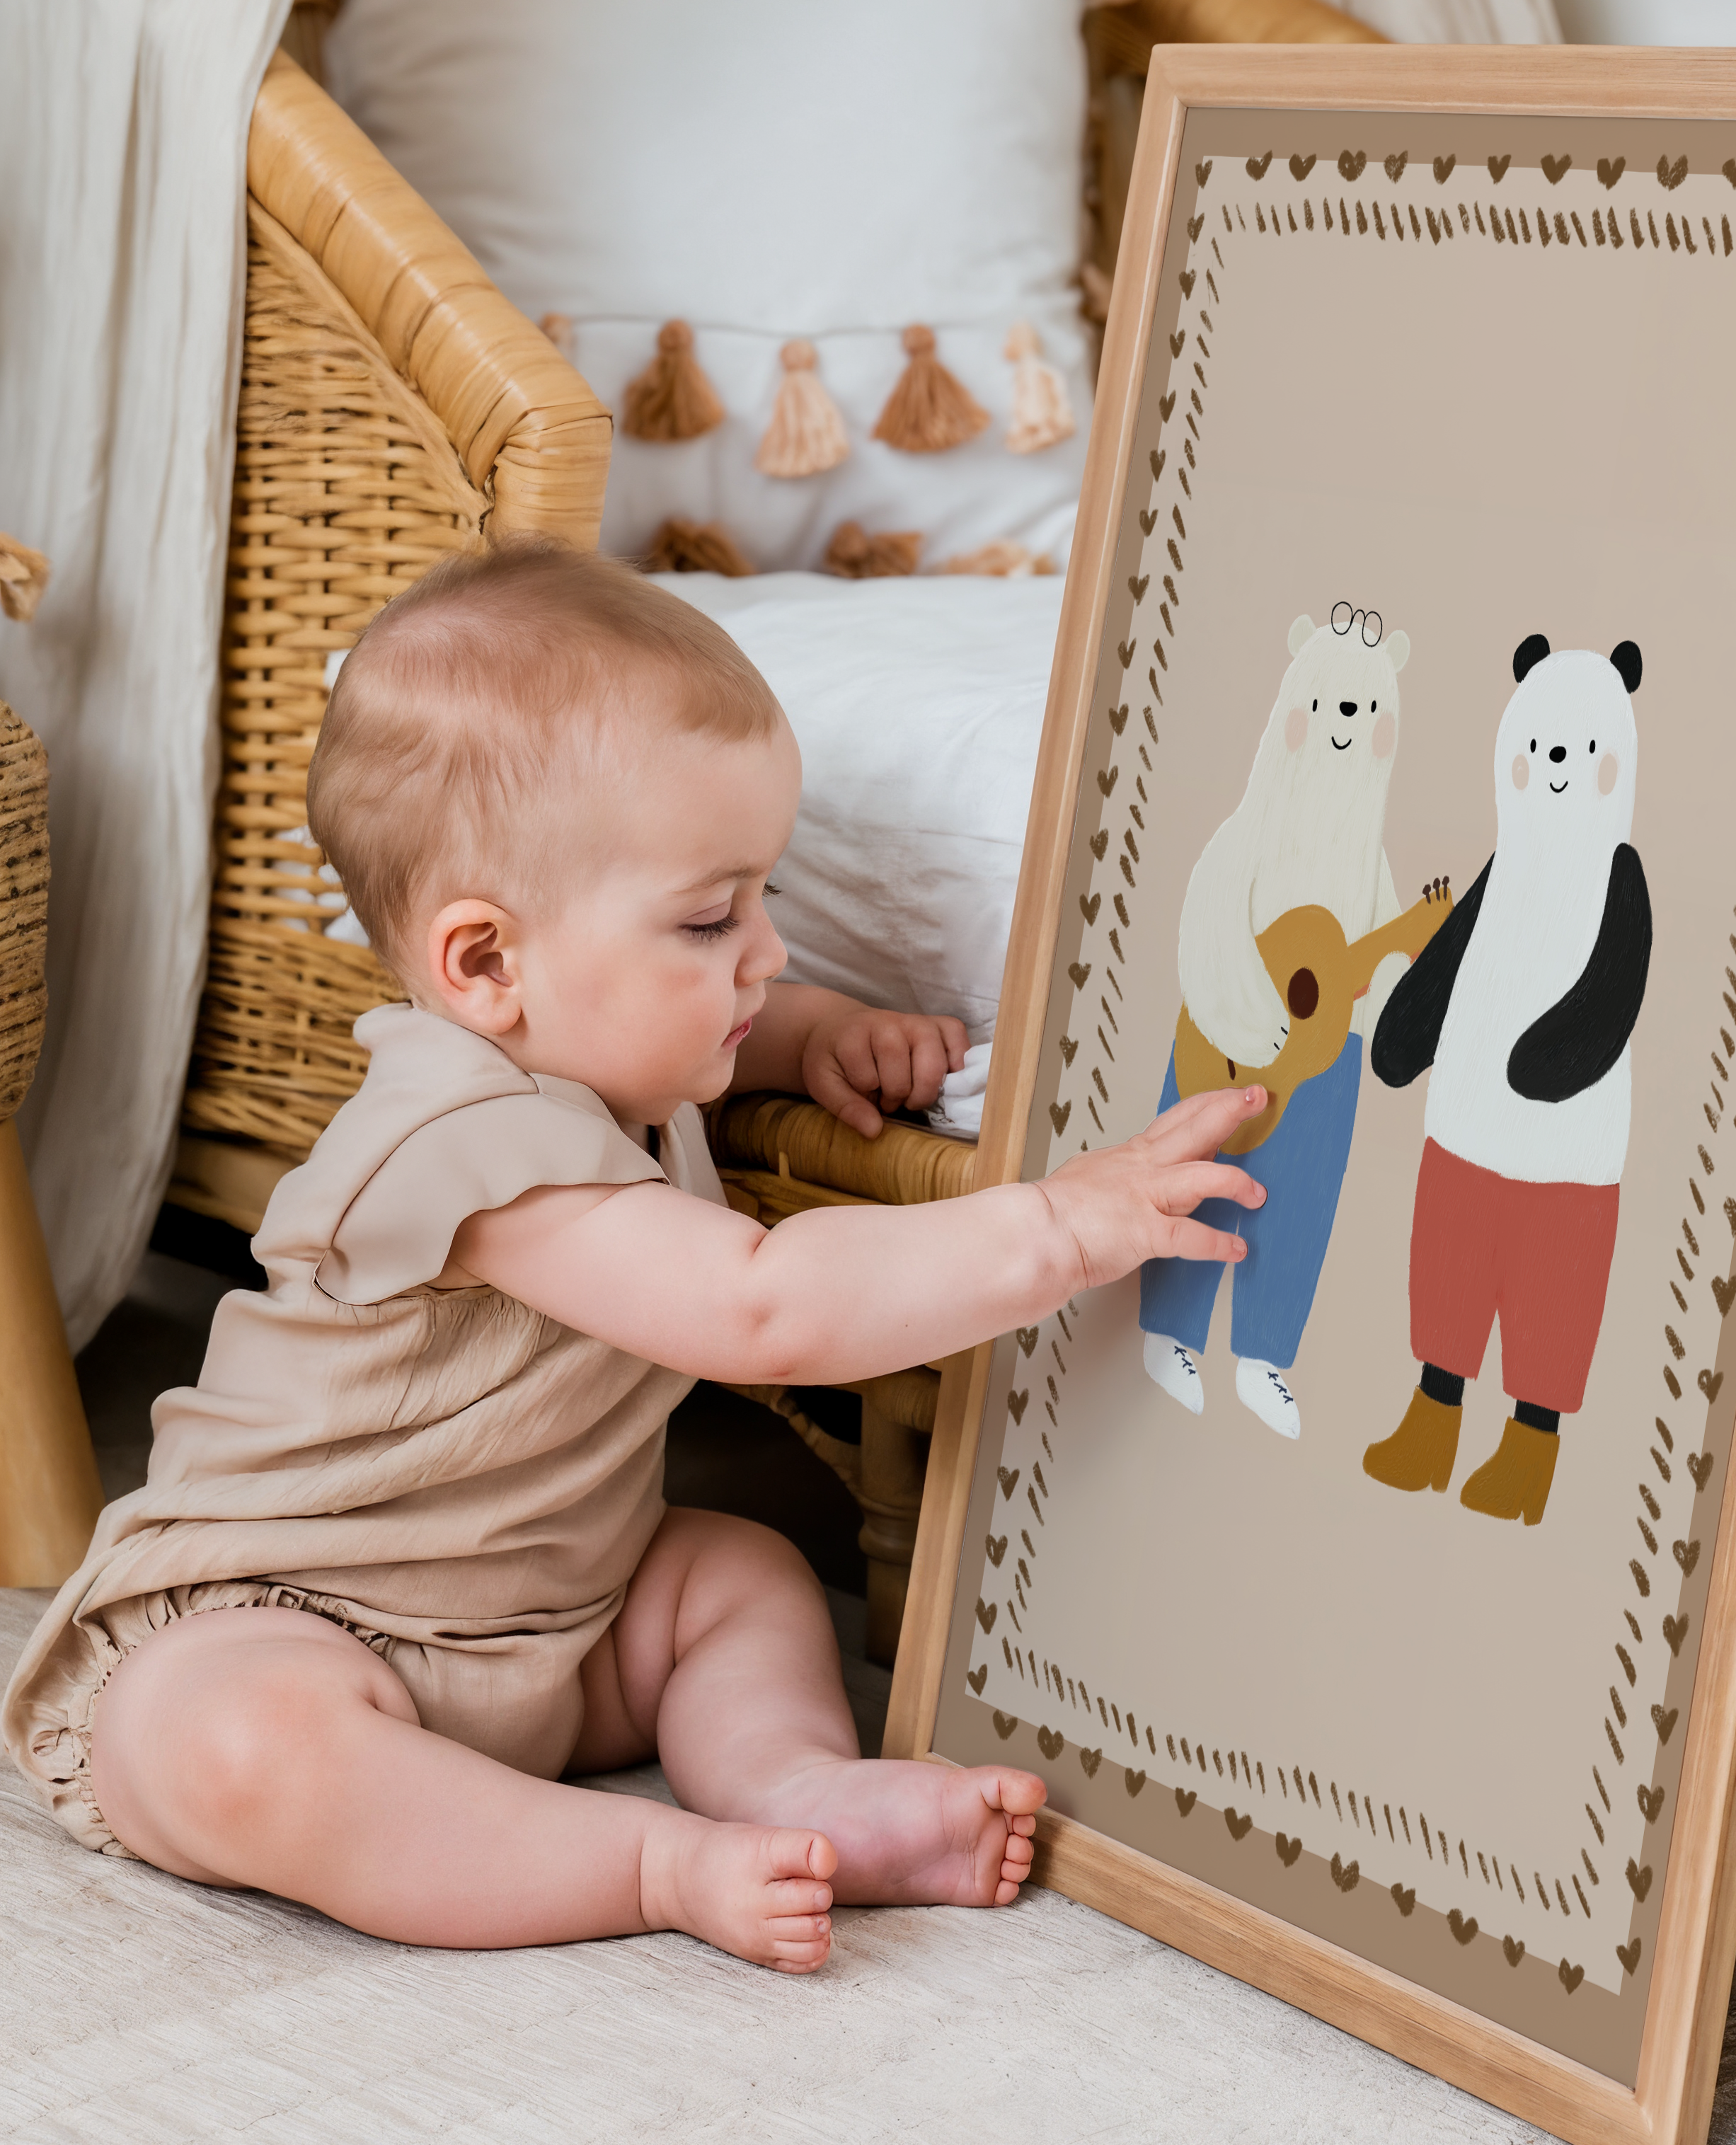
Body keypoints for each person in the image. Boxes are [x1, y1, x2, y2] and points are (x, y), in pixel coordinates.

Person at [2, 541, 1261, 1974]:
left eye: (764, 899)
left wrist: (813, 1033)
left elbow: (683, 1020)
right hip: (297, 1613)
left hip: (558, 1621)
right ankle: (654, 1860)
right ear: (482, 965)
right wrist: (1060, 1222)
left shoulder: (597, 1053)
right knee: (234, 1743)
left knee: (739, 1576)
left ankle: (792, 1786)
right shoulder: (455, 1141)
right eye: (712, 917)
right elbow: (763, 1307)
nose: (767, 951)